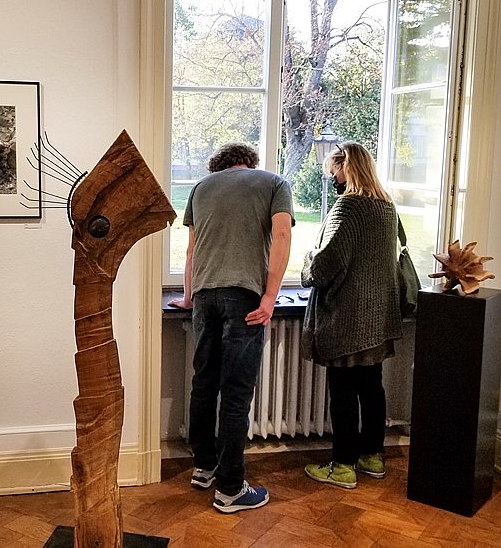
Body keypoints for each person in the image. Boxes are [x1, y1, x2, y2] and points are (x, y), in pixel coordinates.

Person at [169, 142, 294, 513]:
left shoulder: (201, 188)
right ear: (249, 162)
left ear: (219, 166)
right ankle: (230, 488)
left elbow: (191, 251)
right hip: (244, 297)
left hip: (204, 297)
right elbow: (282, 236)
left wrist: (188, 298)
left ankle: (204, 467)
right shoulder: (273, 182)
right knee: (236, 393)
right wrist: (270, 297)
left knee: (204, 385)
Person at [300, 141, 402, 489]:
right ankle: (372, 457)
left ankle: (342, 466)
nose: (333, 178)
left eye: (335, 171)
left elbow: (324, 266)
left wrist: (307, 261)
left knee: (342, 393)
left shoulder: (348, 207)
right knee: (372, 389)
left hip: (348, 319)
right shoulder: (387, 207)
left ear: (347, 168)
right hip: (378, 319)